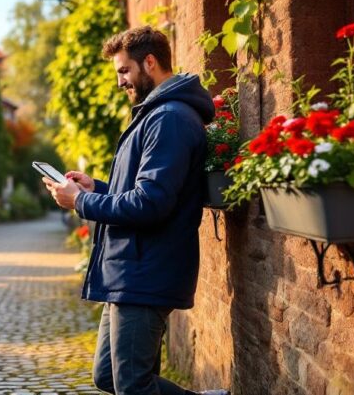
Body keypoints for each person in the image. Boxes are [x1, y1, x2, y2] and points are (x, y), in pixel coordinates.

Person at [42, 26, 229, 395]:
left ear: (149, 62)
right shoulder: (155, 114)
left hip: (146, 271)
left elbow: (150, 204)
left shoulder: (169, 118)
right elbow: (147, 193)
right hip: (129, 270)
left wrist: (79, 201)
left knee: (132, 383)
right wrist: (97, 188)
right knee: (108, 377)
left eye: (123, 71)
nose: (119, 81)